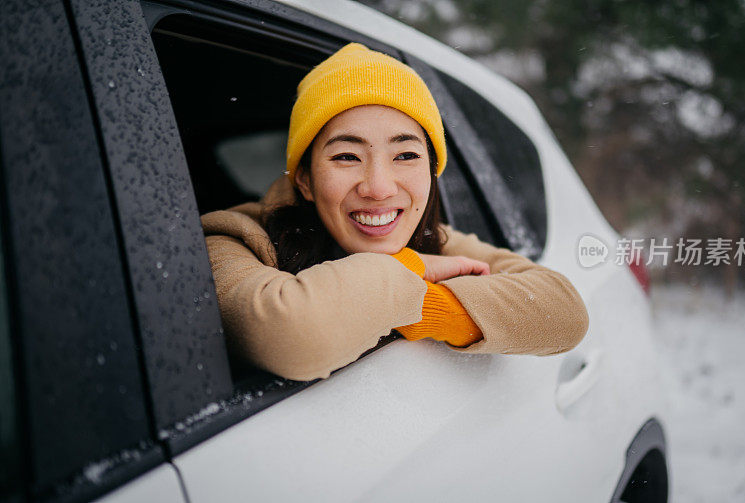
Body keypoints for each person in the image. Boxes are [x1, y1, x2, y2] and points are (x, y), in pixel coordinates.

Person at [200, 42, 590, 382]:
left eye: (405, 155)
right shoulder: (231, 240)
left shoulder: (438, 240)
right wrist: (411, 270)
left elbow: (565, 312)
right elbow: (292, 336)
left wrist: (428, 306)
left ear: (431, 171)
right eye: (347, 156)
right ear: (305, 179)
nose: (380, 188)